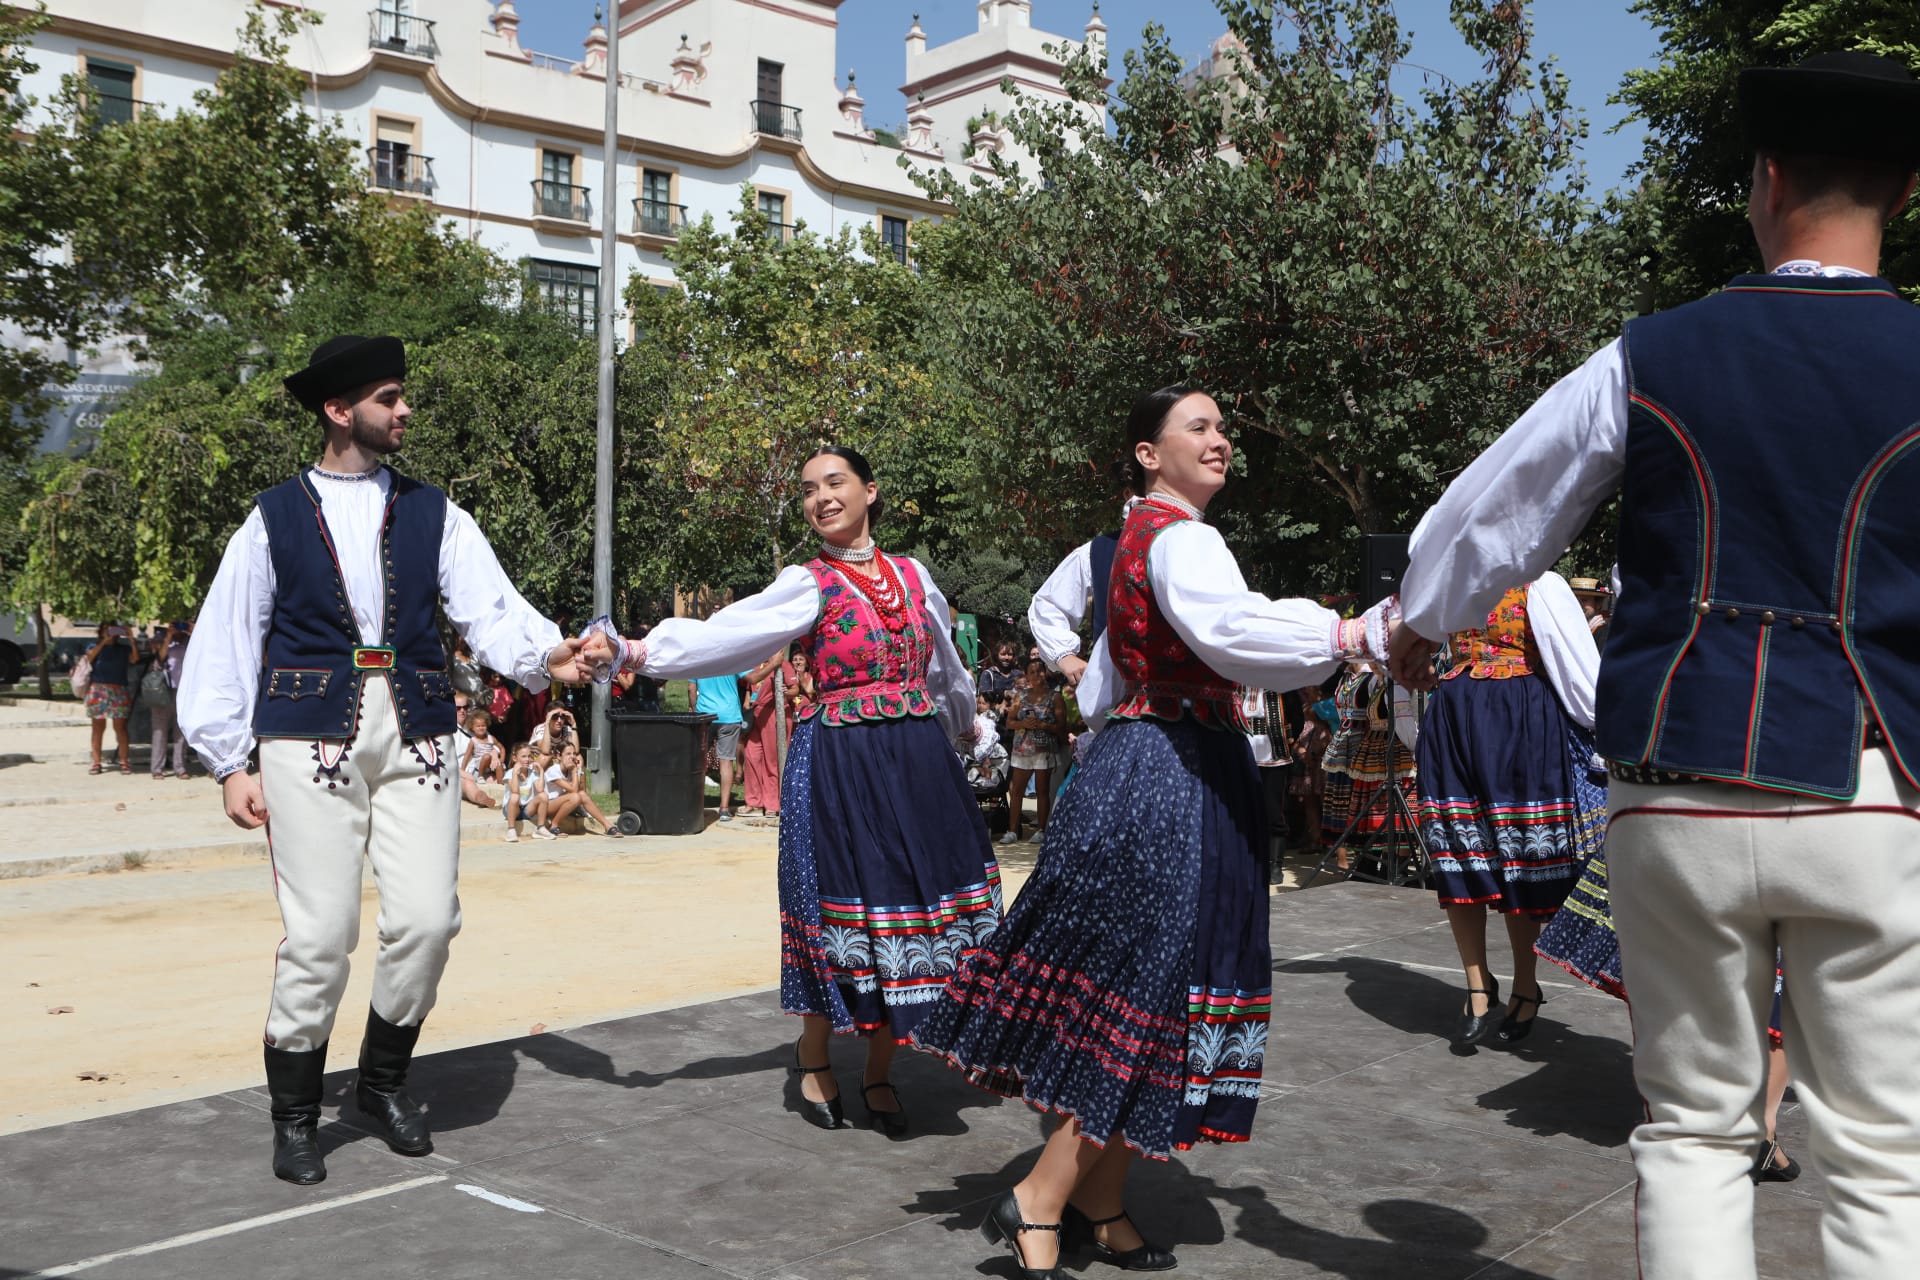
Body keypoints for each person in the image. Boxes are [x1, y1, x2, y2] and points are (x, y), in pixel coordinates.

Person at [1388, 52, 1920, 1278]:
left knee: (1692, 1129)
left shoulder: (1655, 351)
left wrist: (1424, 616)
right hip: (1870, 785)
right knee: (1882, 1153)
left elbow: (1496, 510)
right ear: (1904, 196)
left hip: (1679, 778)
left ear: (1766, 178)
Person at [910, 385, 1397, 1278]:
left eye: (1222, 429)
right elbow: (1232, 633)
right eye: (1199, 428)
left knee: (1162, 982)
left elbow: (1101, 686)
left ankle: (1100, 1195)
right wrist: (1353, 629)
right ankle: (1040, 1196)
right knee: (1153, 982)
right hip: (1174, 773)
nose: (1220, 441)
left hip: (1151, 761)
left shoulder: (1135, 542)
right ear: (1148, 452)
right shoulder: (1182, 539)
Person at [177, 334, 587, 1187]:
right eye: (389, 397)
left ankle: (381, 1081)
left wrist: (549, 656)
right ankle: (295, 1116)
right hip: (305, 735)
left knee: (430, 921)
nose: (405, 411)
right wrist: (228, 761)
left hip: (420, 729)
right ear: (339, 410)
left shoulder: (436, 512)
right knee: (322, 934)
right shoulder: (272, 519)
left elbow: (491, 610)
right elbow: (225, 640)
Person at [586, 444, 995, 1139]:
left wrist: (966, 730)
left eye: (835, 483)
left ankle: (878, 1068)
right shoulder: (806, 583)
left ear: (871, 489)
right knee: (846, 906)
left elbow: (945, 666)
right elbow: (729, 638)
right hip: (843, 761)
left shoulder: (913, 574)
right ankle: (814, 1055)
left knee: (917, 906)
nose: (821, 498)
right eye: (808, 489)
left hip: (918, 758)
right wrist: (638, 650)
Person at [1413, 574, 1603, 1046]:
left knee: (1522, 861)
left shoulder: (1543, 584)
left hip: (1520, 719)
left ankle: (1525, 984)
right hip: (1453, 719)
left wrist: (1605, 727)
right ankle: (1478, 984)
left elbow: (1576, 660)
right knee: (1457, 854)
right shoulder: (1453, 580)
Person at [1000, 654, 1067, 845]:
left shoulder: (1055, 697)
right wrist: (1023, 723)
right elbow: (1009, 722)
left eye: (1039, 671)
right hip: (1022, 749)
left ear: (1045, 673)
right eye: (1032, 672)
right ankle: (1012, 830)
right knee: (1017, 790)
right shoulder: (1020, 697)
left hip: (1044, 750)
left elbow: (1062, 726)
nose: (1037, 675)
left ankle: (1042, 829)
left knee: (1042, 790)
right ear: (1026, 676)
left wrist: (1044, 725)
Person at [740, 648, 792, 816]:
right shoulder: (755, 665)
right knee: (751, 755)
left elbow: (795, 689)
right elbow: (751, 684)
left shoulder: (784, 665)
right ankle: (754, 801)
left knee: (772, 760)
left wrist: (786, 691)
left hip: (774, 713)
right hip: (756, 714)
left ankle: (772, 803)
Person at [83, 622, 138, 775]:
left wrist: (131, 638)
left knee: (120, 728)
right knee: (97, 728)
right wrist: (103, 642)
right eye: (107, 629)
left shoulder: (123, 649)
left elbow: (134, 659)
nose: (110, 632)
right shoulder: (93, 645)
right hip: (98, 690)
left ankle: (124, 762)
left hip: (118, 690)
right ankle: (96, 762)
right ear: (100, 631)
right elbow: (89, 657)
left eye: (113, 629)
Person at [690, 672, 745, 820]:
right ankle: (724, 808)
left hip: (704, 715)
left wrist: (694, 709)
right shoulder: (732, 657)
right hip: (729, 714)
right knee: (726, 762)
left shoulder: (700, 659)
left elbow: (691, 688)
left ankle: (693, 804)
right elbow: (751, 677)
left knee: (699, 761)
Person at [541, 741, 620, 837]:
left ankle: (607, 826)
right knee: (576, 797)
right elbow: (574, 791)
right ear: (559, 756)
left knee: (581, 795)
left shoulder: (570, 770)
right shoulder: (553, 770)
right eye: (568, 754)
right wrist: (575, 770)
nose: (572, 757)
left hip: (563, 803)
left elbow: (582, 790)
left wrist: (580, 770)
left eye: (574, 753)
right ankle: (554, 826)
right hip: (548, 806)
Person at [145, 622, 191, 778]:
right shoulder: (161, 638)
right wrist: (169, 636)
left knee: (181, 731)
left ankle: (180, 767)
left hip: (184, 691)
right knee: (160, 730)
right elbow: (160, 657)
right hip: (163, 689)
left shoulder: (190, 640)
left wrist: (191, 630)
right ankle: (157, 768)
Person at [458, 707, 505, 807]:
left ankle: (501, 787)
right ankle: (480, 780)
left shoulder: (490, 737)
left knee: (498, 766)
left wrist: (500, 759)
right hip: (479, 766)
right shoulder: (473, 740)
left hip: (490, 764)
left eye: (483, 725)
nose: (481, 728)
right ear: (473, 728)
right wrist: (462, 770)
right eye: (478, 726)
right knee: (486, 757)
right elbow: (467, 755)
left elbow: (501, 748)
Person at [500, 741, 541, 843]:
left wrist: (541, 772)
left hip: (526, 809)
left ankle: (541, 827)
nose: (527, 759)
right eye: (523, 756)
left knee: (543, 796)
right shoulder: (510, 773)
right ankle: (511, 830)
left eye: (529, 756)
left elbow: (540, 789)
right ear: (515, 758)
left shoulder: (532, 773)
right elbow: (515, 791)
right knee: (514, 796)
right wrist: (515, 773)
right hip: (512, 810)